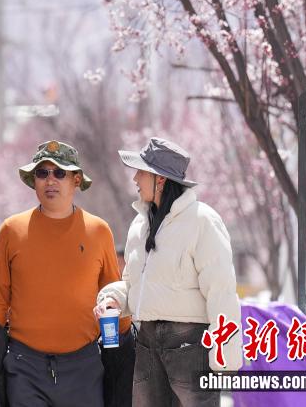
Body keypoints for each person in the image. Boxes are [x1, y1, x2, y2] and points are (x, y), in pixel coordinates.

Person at [0, 140, 126, 407]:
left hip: (84, 368)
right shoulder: (11, 230)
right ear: (34, 180)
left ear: (76, 180)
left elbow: (114, 295)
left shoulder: (99, 231)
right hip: (24, 366)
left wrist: (127, 346)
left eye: (59, 173)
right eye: (42, 173)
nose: (50, 180)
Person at [95, 137, 243, 407]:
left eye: (141, 172)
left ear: (160, 179)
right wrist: (112, 298)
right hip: (147, 344)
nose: (135, 179)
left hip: (192, 345)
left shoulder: (203, 220)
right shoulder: (139, 225)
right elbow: (133, 284)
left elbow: (221, 291)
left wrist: (226, 359)